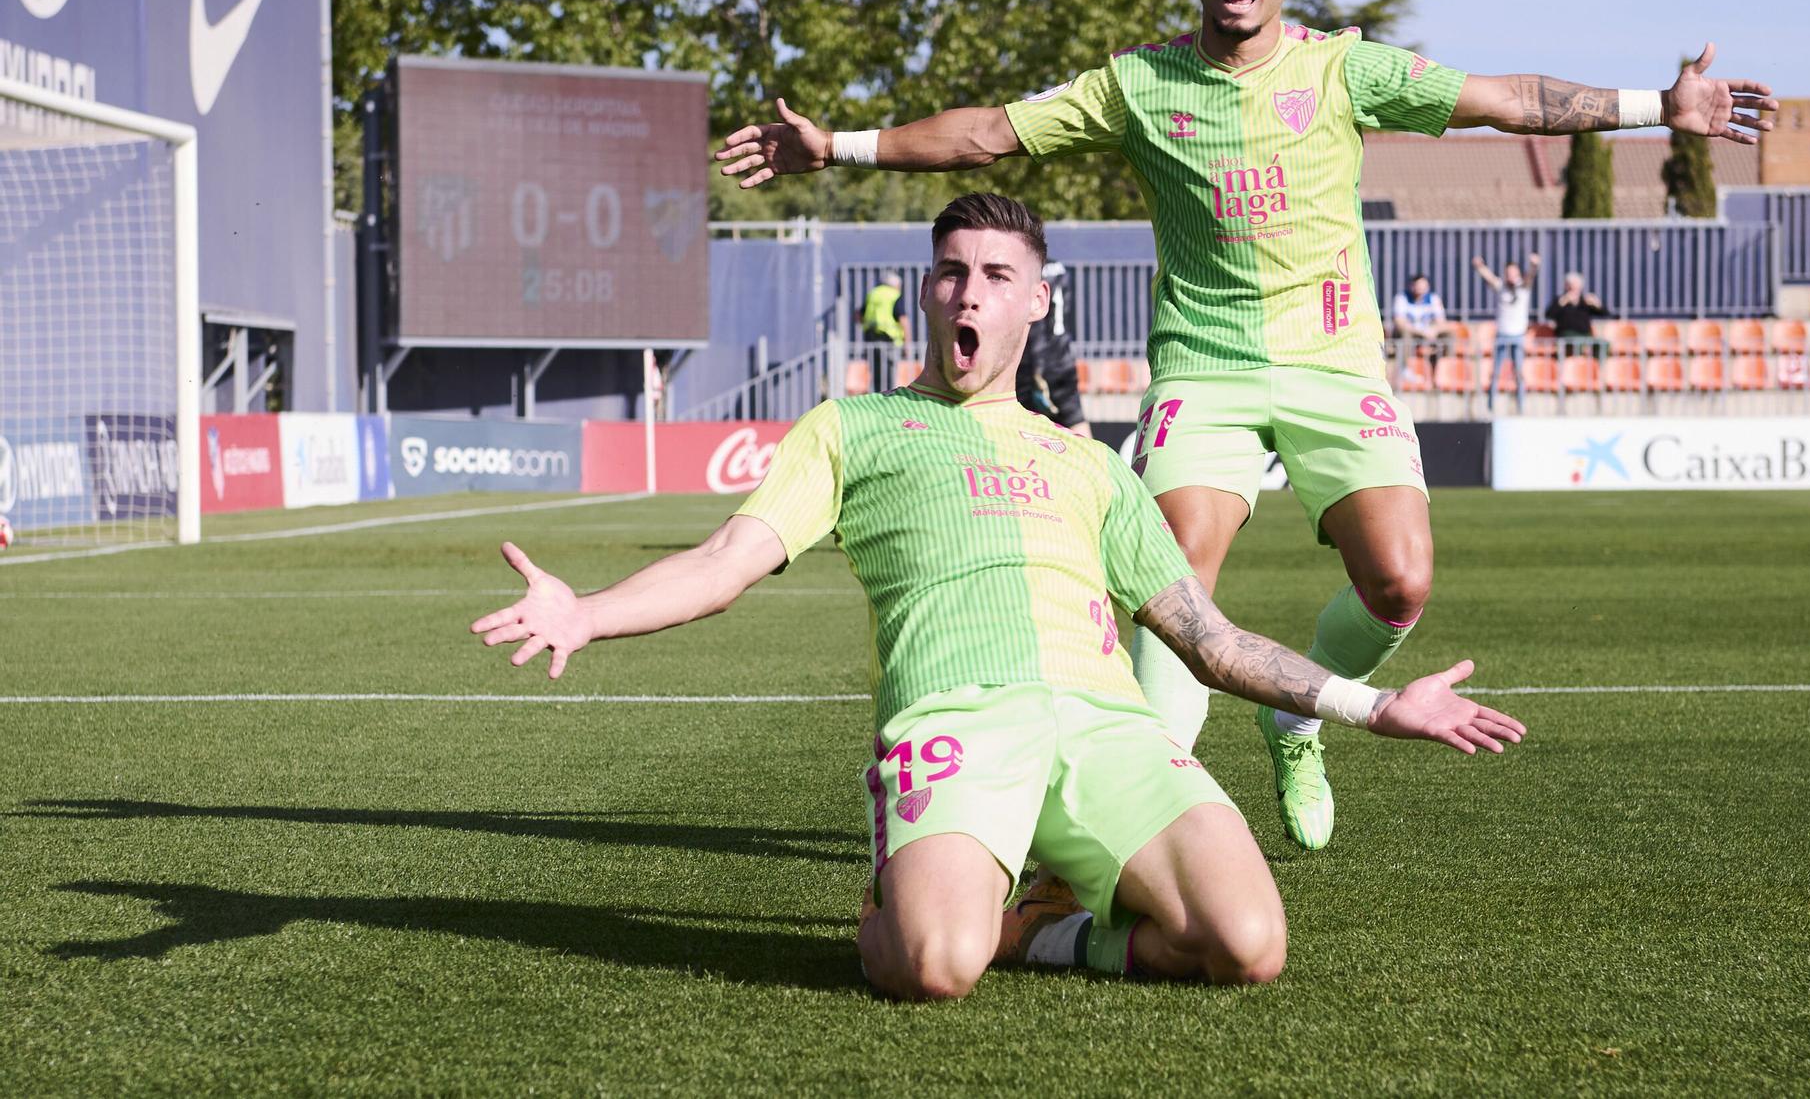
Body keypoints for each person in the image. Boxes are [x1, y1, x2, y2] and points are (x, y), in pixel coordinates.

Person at [713, 0, 1771, 851]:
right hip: (1202, 372)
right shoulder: (1138, 84)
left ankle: (1293, 726)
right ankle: (1154, 806)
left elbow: (1502, 100)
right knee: (1175, 574)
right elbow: (989, 132)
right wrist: (838, 144)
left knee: (1398, 583)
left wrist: (1656, 108)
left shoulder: (1343, 67)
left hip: (1335, 366)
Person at [470, 194, 1526, 1001]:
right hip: (957, 720)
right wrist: (587, 612)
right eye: (949, 272)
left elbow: (1206, 639)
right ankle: (907, 891)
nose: (967, 291)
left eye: (993, 273)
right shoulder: (853, 428)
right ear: (930, 292)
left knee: (1248, 945)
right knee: (932, 965)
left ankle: (1039, 929)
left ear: (1037, 298)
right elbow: (723, 561)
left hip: (1106, 726)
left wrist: (1372, 705)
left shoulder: (1094, 466)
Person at [1016, 259, 1091, 436]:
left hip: (1039, 365)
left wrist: (1038, 371)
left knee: (1022, 427)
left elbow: (1037, 330)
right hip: (1063, 358)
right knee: (1075, 420)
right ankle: (1097, 462)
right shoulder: (1060, 268)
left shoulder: (1031, 272)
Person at [1473, 253, 1540, 413]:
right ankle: (1491, 406)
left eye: (1514, 272)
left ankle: (1520, 406)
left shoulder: (1523, 288)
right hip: (1502, 334)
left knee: (1518, 372)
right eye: (1508, 273)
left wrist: (1534, 265)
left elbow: (1531, 275)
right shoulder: (1501, 287)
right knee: (1495, 372)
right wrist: (1480, 267)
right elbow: (1489, 277)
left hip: (1518, 335)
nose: (1511, 276)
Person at [857, 271, 908, 392]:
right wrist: (906, 344)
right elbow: (903, 321)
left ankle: (877, 398)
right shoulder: (894, 295)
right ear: (895, 285)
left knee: (875, 373)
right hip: (889, 340)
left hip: (871, 339)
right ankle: (888, 400)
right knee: (889, 374)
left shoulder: (873, 293)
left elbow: (858, 315)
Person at [1546, 272, 1611, 358]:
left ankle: (1597, 368)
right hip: (1566, 335)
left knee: (1603, 344)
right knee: (1577, 344)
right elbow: (1549, 315)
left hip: (1585, 335)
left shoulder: (1585, 301)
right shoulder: (1560, 300)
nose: (1573, 287)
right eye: (1571, 285)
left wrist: (1597, 304)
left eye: (1576, 285)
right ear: (1566, 286)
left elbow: (1606, 314)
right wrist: (1562, 302)